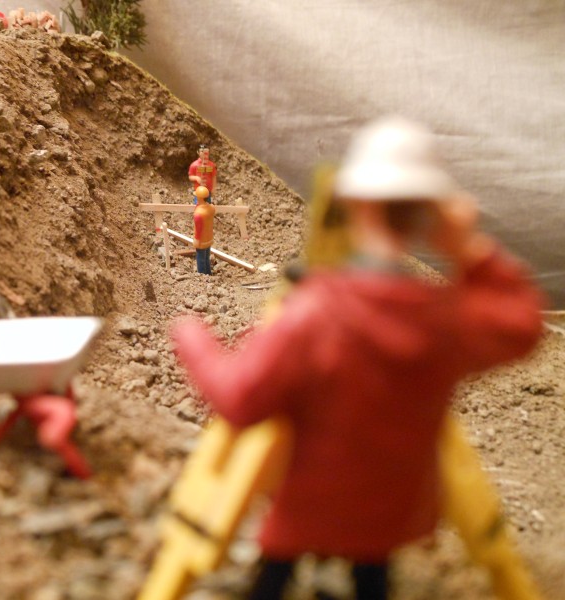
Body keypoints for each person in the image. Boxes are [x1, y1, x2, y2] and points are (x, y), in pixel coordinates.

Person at [170, 117, 544, 599]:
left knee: (273, 575)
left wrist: (192, 336)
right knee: (372, 577)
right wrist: (467, 247)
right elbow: (522, 323)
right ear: (431, 213)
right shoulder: (442, 322)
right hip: (389, 518)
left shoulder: (313, 315)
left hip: (306, 509)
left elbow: (240, 400)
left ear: (353, 204)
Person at [193, 185, 215, 275]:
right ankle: (208, 273)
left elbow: (198, 229)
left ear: (199, 198)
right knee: (206, 257)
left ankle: (202, 275)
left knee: (201, 259)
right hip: (209, 238)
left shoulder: (198, 214)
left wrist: (196, 239)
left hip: (201, 240)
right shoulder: (211, 208)